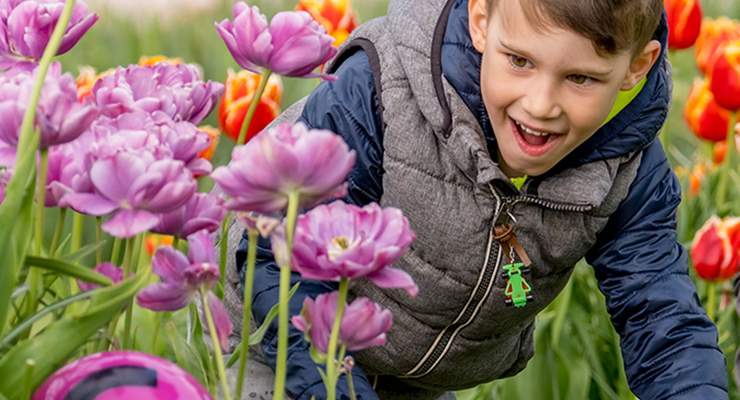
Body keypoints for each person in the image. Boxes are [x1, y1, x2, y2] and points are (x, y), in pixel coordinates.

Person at [224, 0, 729, 399]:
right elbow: (278, 258)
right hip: (273, 335)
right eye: (520, 61)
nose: (540, 104)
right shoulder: (380, 90)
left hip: (417, 380)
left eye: (580, 78)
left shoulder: (626, 168)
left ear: (636, 67)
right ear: (482, 20)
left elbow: (658, 311)